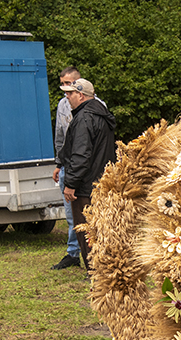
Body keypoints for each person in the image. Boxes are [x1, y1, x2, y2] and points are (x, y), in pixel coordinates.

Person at [57, 78, 116, 277]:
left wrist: (70, 184)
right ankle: (106, 269)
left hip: (85, 187)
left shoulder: (84, 118)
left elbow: (81, 154)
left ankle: (95, 272)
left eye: (70, 93)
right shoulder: (103, 114)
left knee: (86, 230)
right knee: (103, 229)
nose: (67, 97)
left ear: (80, 95)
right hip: (103, 182)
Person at [51, 66, 82, 270]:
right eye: (62, 83)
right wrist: (58, 163)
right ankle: (73, 253)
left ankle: (95, 253)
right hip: (66, 166)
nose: (65, 88)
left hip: (84, 168)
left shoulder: (95, 104)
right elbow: (60, 136)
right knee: (70, 215)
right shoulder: (62, 105)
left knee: (87, 213)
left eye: (69, 84)